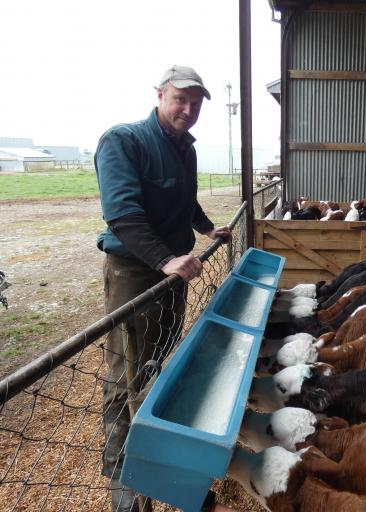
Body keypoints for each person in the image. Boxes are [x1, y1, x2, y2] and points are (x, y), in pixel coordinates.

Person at [95, 65, 236, 512]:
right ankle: (123, 480)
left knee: (159, 359)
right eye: (180, 99)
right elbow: (122, 214)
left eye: (195, 103)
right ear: (159, 94)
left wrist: (207, 227)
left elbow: (185, 198)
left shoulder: (185, 149)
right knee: (126, 372)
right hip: (137, 272)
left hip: (175, 271)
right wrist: (164, 260)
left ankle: (157, 457)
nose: (188, 109)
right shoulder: (124, 141)